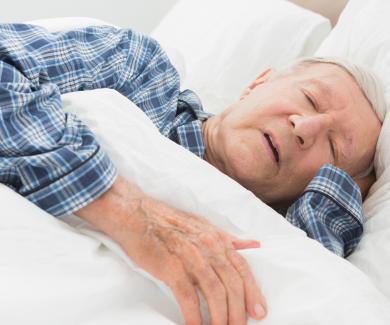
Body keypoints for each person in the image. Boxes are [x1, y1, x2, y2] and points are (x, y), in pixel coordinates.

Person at [0, 23, 385, 325]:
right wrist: (127, 213)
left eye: (334, 148)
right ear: (258, 83)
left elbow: (316, 293)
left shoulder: (279, 237)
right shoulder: (141, 75)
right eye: (311, 99)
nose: (305, 127)